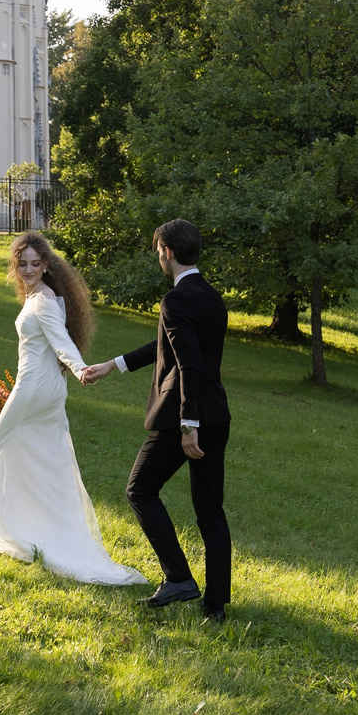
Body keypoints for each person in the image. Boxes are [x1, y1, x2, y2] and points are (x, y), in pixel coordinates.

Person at [0, 231, 150, 586]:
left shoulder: (42, 300)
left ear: (46, 265)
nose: (28, 270)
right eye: (22, 264)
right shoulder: (43, 295)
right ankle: (27, 532)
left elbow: (61, 341)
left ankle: (11, 535)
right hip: (47, 387)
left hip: (34, 389)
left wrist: (80, 368)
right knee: (44, 458)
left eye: (35, 264)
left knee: (0, 452)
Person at [76, 219, 231, 620]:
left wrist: (188, 425)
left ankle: (178, 578)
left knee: (140, 489)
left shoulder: (175, 300)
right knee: (210, 509)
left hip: (184, 417)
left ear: (168, 252)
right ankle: (215, 606)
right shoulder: (212, 297)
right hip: (217, 414)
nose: (158, 257)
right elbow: (167, 344)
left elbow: (189, 364)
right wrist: (113, 365)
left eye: (158, 250)